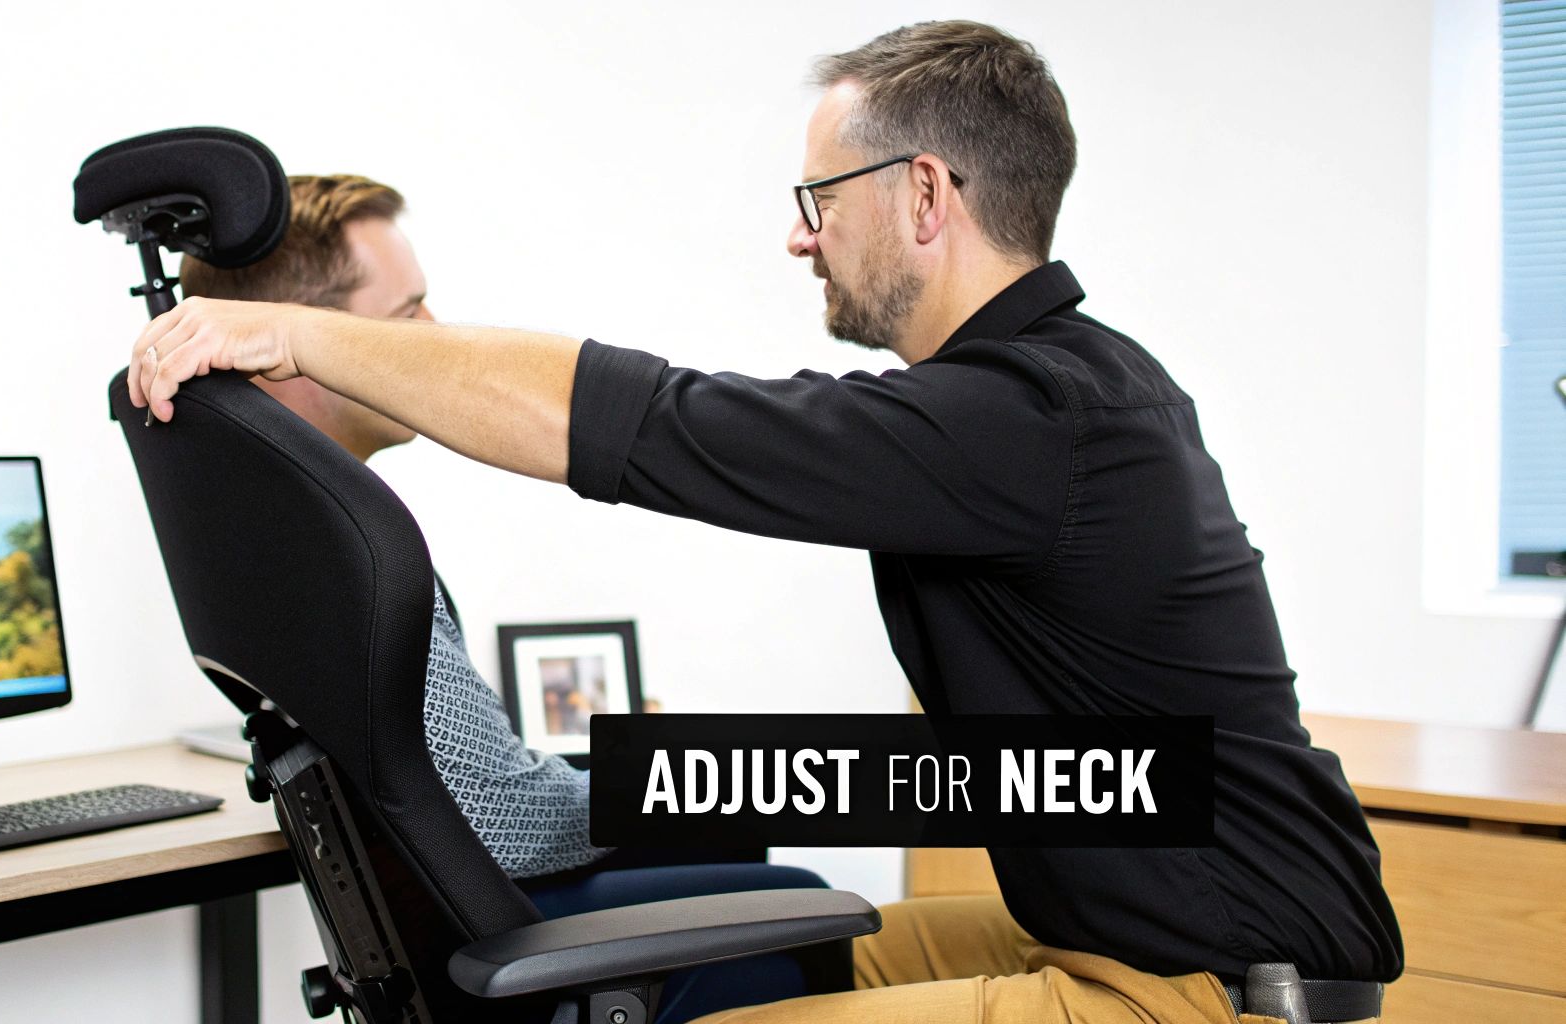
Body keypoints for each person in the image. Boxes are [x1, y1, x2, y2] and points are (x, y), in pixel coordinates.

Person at [126, 21, 1401, 1023]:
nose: (802, 238)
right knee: (768, 943)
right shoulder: (1025, 410)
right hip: (1110, 930)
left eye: (819, 198)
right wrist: (690, 776)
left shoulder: (1034, 418)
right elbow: (1081, 775)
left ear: (920, 195)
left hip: (1195, 983)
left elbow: (655, 424)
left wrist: (297, 334)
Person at [175, 173, 830, 1024]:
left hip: (460, 928)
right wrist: (656, 779)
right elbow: (506, 822)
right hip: (500, 945)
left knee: (730, 810)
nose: (435, 336)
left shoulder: (270, 524)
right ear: (291, 341)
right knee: (802, 903)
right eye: (409, 313)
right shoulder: (352, 549)